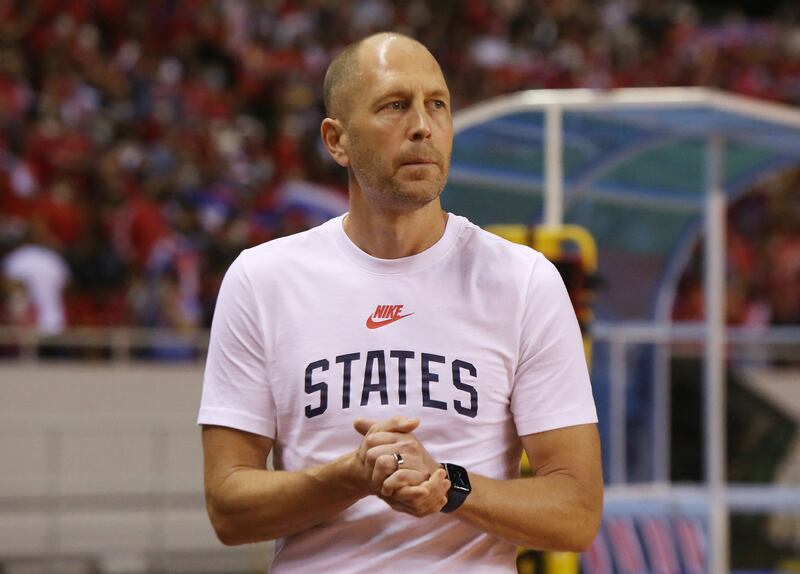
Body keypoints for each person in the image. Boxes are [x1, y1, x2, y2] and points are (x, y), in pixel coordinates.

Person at [198, 32, 602, 573]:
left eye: (437, 105)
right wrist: (350, 476)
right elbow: (228, 509)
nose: (422, 125)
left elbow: (576, 513)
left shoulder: (523, 280)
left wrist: (449, 486)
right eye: (395, 106)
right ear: (336, 141)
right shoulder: (262, 279)